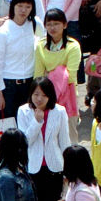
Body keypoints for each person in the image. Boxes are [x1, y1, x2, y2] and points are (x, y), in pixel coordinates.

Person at [17, 76, 70, 201]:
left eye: (43, 95)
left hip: (54, 167)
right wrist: (37, 121)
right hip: (32, 168)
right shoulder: (23, 111)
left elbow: (64, 142)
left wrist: (68, 170)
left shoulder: (59, 112)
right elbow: (25, 141)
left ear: (50, 96)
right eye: (36, 94)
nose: (39, 99)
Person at [33, 8, 82, 143]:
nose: (52, 28)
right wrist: (60, 72)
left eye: (56, 23)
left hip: (68, 95)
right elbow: (38, 75)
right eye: (49, 24)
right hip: (45, 96)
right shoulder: (41, 45)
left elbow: (70, 76)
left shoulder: (73, 46)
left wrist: (51, 74)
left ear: (65, 25)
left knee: (70, 134)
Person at [0, 0, 42, 120]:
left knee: (29, 123)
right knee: (10, 124)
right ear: (13, 6)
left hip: (30, 83)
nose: (23, 10)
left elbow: (44, 46)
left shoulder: (35, 24)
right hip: (9, 85)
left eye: (28, 7)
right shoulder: (4, 31)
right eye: (20, 6)